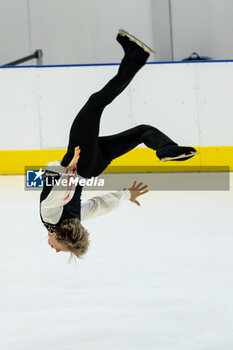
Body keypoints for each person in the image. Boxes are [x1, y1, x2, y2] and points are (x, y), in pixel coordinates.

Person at [40, 29, 197, 258]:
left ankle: (165, 148)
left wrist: (126, 194)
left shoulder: (73, 219)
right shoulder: (50, 218)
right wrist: (71, 167)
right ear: (60, 237)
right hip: (79, 162)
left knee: (141, 132)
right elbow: (59, 194)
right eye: (62, 249)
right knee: (96, 104)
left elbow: (100, 205)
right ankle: (135, 57)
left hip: (91, 168)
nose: (55, 250)